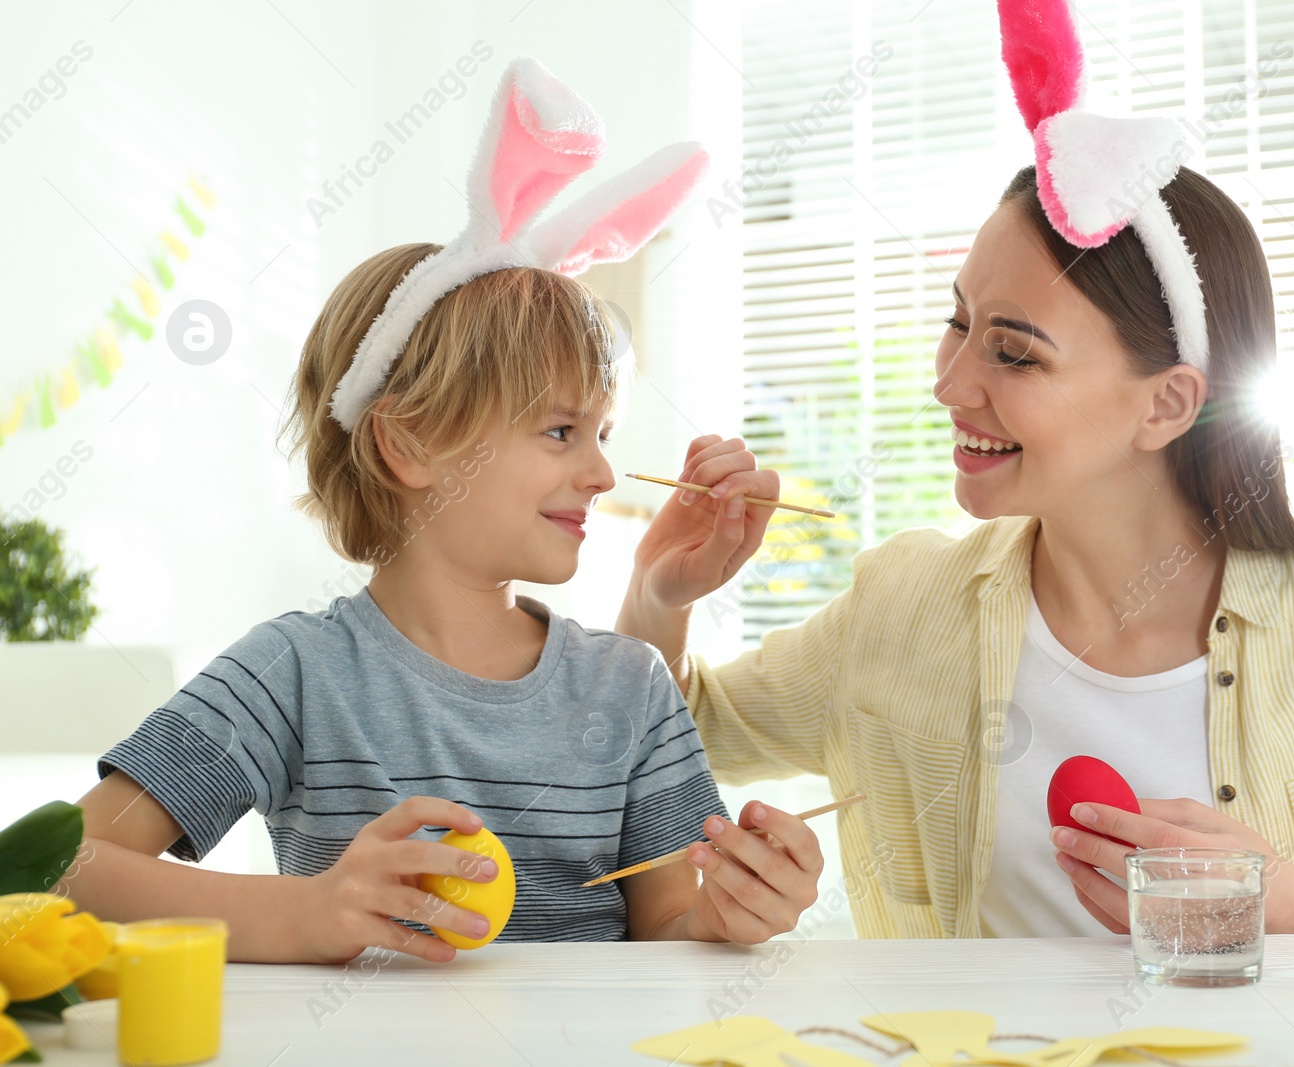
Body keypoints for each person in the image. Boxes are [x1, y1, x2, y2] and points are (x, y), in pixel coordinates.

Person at [613, 0, 1294, 937]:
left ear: (1167, 404)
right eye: (958, 323)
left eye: (1015, 353)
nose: (950, 383)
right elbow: (667, 739)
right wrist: (661, 596)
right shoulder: (903, 610)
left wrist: (1290, 919)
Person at [59, 57, 822, 963]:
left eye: (604, 431)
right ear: (409, 443)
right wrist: (306, 913)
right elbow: (55, 869)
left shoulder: (631, 687)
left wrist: (739, 908)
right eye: (561, 430)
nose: (603, 475)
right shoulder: (293, 673)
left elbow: (670, 924)